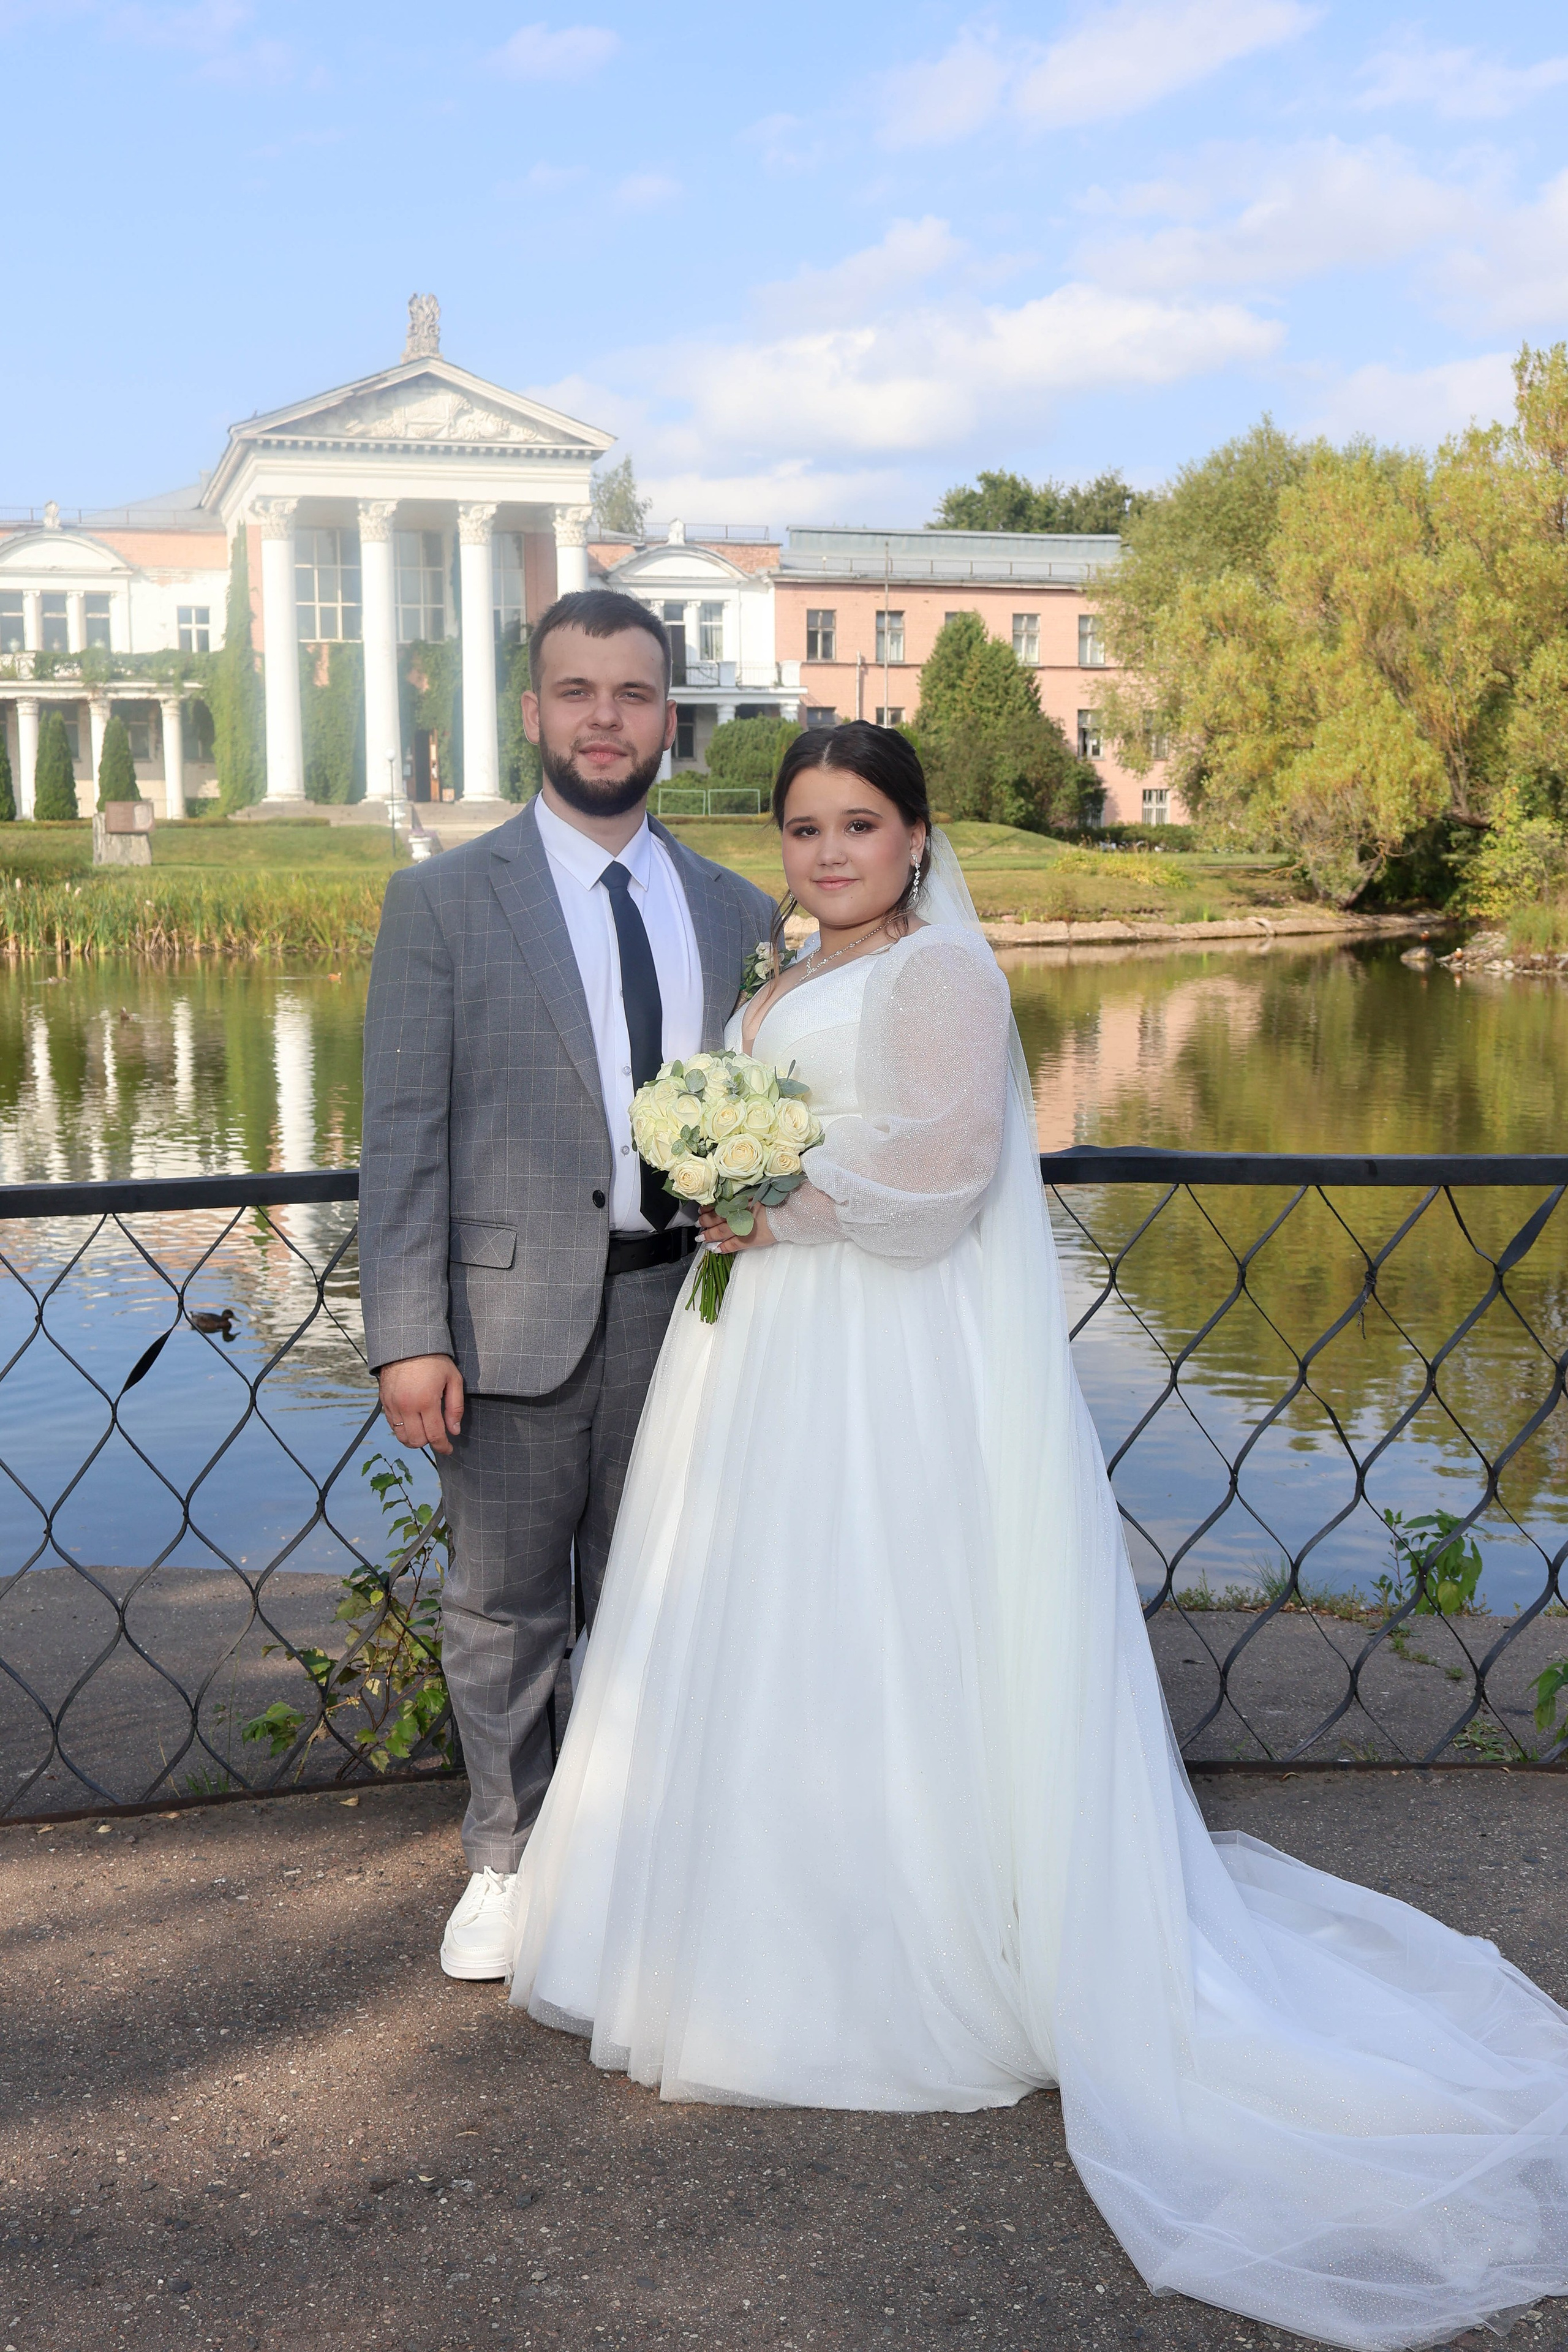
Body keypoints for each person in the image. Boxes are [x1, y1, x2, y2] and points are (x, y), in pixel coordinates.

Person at [507, 720, 1568, 2352]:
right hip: (775, 1349)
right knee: (768, 1624)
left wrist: (763, 1197)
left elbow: (942, 1180)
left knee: (882, 1618)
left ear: (920, 840)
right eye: (803, 827)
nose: (829, 850)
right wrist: (739, 1185)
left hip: (876, 1352)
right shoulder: (791, 968)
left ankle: (915, 1942)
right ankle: (753, 1921)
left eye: (860, 824)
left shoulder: (939, 979)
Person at [359, 588, 774, 1981]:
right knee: (505, 1604)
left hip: (695, 1311)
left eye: (634, 694)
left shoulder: (738, 910)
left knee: (672, 1592)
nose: (606, 718)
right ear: (533, 711)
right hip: (507, 1315)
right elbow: (403, 1135)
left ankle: (651, 1852)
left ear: (671, 717)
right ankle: (507, 1859)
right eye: (578, 691)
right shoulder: (441, 903)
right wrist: (406, 1333)